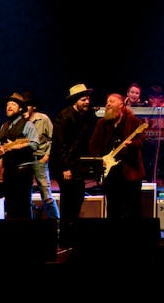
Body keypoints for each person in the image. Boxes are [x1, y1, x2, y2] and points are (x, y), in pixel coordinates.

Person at [51, 83, 96, 248]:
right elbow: (60, 143)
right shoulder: (64, 116)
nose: (87, 102)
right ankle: (65, 239)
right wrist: (65, 168)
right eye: (84, 99)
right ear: (75, 100)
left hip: (77, 165)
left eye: (88, 99)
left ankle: (72, 238)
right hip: (65, 166)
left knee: (77, 199)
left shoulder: (83, 116)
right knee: (69, 203)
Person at [90, 93, 147, 220]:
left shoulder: (134, 122)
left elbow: (142, 141)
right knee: (113, 210)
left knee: (132, 210)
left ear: (121, 105)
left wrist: (131, 145)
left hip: (130, 172)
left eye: (111, 101)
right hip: (110, 173)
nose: (108, 104)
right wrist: (101, 160)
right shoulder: (102, 124)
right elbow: (94, 146)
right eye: (107, 102)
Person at [0, 92, 40, 220]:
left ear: (20, 108)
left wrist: (17, 146)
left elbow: (35, 144)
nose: (9, 106)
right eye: (8, 104)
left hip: (23, 171)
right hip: (9, 172)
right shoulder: (4, 127)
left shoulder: (27, 124)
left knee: (23, 206)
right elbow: (0, 148)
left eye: (13, 104)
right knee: (10, 206)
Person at [22, 91, 60, 221]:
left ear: (33, 106)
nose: (25, 107)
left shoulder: (43, 119)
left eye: (27, 105)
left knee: (46, 194)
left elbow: (53, 139)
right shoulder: (20, 120)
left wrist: (47, 156)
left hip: (40, 159)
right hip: (25, 161)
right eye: (23, 105)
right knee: (25, 195)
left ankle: (56, 223)